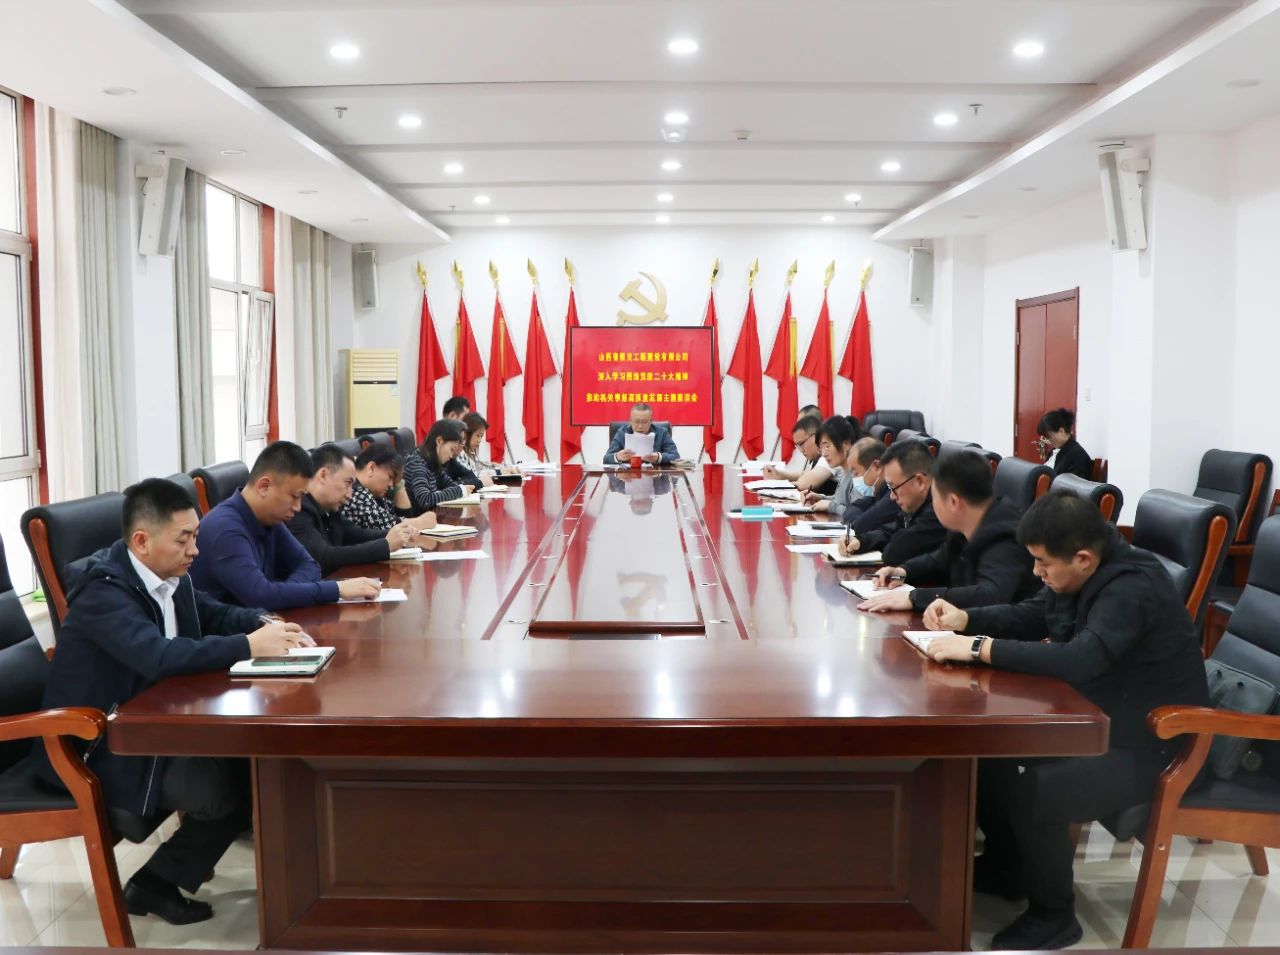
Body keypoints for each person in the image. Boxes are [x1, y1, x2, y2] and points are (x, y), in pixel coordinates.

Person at [919, 491, 1209, 950]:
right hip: (1101, 722)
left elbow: (1080, 659)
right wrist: (967, 618)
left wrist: (978, 648)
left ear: (1083, 558)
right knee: (990, 756)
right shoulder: (1084, 572)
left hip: (1157, 744)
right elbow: (1036, 613)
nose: (1036, 572)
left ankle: (1054, 916)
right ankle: (1009, 870)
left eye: (1043, 563)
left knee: (1041, 790)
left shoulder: (1131, 587)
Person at [38, 478, 315, 924]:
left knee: (252, 764)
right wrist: (248, 646)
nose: (195, 550)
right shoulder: (102, 594)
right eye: (183, 539)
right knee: (227, 788)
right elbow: (158, 656)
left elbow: (210, 612)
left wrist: (264, 621)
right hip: (93, 745)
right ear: (141, 541)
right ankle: (153, 885)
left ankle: (174, 879)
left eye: (196, 536)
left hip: (150, 724)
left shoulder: (167, 575)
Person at [189, 441, 382, 610]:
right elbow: (261, 596)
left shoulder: (269, 518)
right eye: (295, 496)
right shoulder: (225, 529)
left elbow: (310, 565)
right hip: (231, 636)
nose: (298, 507)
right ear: (264, 486)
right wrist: (336, 589)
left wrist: (284, 593)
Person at [857, 449, 1040, 613]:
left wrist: (915, 598)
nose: (933, 505)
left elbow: (989, 595)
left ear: (953, 502)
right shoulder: (965, 527)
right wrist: (903, 571)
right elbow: (940, 559)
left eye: (935, 498)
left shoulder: (1005, 535)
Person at [286, 444, 419, 575]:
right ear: (323, 475)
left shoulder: (329, 509)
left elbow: (357, 534)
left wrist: (398, 534)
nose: (350, 494)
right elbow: (324, 557)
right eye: (348, 483)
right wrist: (386, 545)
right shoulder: (298, 509)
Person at [840, 439, 947, 565]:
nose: (891, 497)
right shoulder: (915, 503)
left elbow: (893, 553)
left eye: (894, 487)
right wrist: (860, 541)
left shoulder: (939, 510)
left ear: (920, 481)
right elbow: (890, 531)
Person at [339, 443, 437, 534]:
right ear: (371, 468)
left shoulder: (374, 494)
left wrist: (398, 484)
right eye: (390, 477)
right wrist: (420, 522)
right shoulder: (355, 493)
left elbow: (402, 516)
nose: (391, 485)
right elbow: (389, 528)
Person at [403, 418, 474, 510]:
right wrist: (459, 491)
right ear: (439, 441)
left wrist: (461, 489)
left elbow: (451, 485)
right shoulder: (417, 463)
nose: (451, 455)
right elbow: (425, 499)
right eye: (451, 449)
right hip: (418, 518)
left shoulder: (433, 462)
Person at [804, 416, 864, 518]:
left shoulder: (859, 474)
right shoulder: (846, 472)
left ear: (846, 445)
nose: (824, 454)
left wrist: (831, 506)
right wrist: (820, 498)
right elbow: (841, 501)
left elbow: (857, 514)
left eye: (827, 446)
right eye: (821, 448)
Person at [763, 416, 839, 493]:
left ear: (815, 436)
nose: (801, 450)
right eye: (798, 446)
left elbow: (804, 484)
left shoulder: (831, 454)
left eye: (801, 444)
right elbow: (807, 474)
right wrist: (780, 475)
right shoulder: (818, 458)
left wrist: (772, 486)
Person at [604, 402, 680, 465]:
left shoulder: (662, 433)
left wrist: (658, 457)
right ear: (630, 421)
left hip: (655, 475)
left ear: (651, 421)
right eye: (637, 422)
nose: (640, 426)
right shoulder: (622, 432)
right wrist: (618, 456)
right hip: (628, 476)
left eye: (644, 422)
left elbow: (675, 457)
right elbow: (606, 458)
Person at [1038, 408, 1091, 478]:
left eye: (1049, 436)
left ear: (1061, 431)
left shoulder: (1077, 456)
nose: (1048, 441)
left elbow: (1072, 483)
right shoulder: (1055, 452)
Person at [454, 412, 502, 487]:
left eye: (481, 436)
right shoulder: (459, 452)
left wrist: (502, 468)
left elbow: (481, 466)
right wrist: (499, 472)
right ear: (466, 433)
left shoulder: (470, 452)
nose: (479, 440)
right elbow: (474, 474)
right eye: (478, 436)